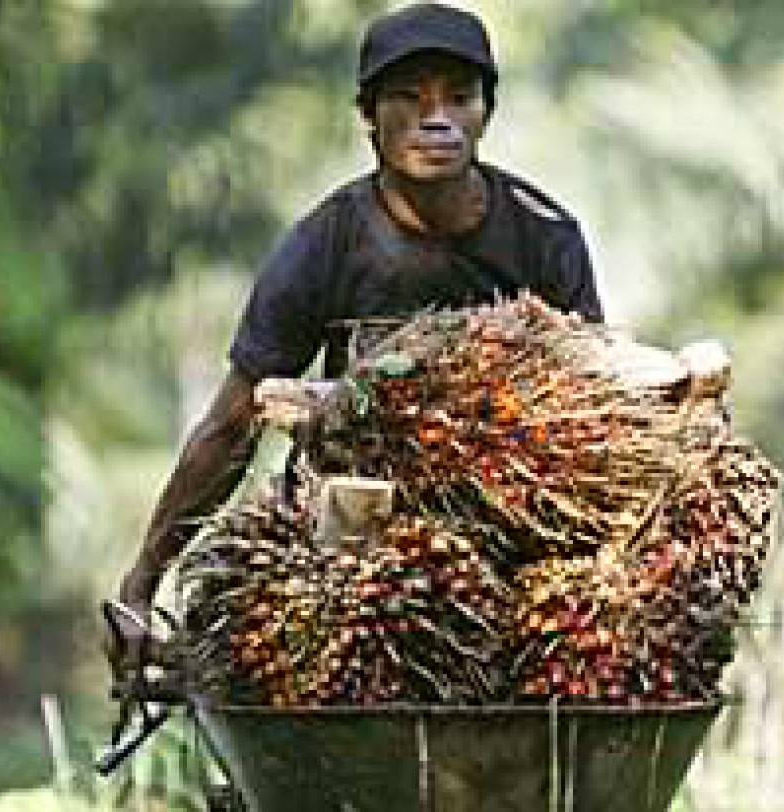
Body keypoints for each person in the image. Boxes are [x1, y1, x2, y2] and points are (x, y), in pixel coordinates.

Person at [114, 1, 603, 660]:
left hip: (506, 528)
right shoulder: (325, 244)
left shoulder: (543, 235)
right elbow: (233, 423)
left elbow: (597, 405)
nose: (437, 119)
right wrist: (141, 584)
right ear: (369, 119)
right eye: (409, 98)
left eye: (459, 98)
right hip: (356, 535)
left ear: (486, 113)